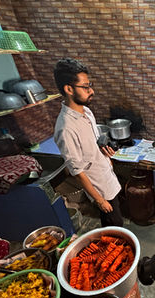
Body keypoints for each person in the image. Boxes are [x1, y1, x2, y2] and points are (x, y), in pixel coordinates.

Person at [53, 58, 123, 227]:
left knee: (117, 227)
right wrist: (99, 200)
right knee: (115, 231)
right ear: (69, 89)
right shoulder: (66, 128)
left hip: (108, 178)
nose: (91, 91)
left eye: (90, 85)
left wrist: (106, 155)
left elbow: (95, 144)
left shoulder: (87, 112)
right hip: (100, 190)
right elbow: (77, 171)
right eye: (85, 87)